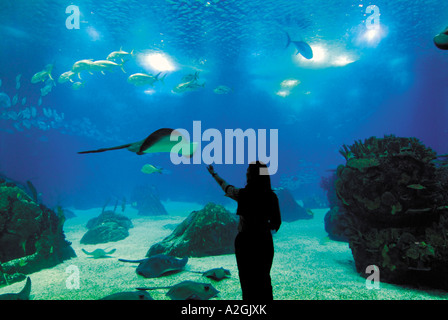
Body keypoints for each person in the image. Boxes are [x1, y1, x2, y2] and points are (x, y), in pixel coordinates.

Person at [207, 161, 281, 301]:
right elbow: (277, 223)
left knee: (247, 281)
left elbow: (226, 187)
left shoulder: (242, 194)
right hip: (264, 241)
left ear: (252, 175)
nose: (246, 173)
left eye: (248, 171)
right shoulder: (272, 197)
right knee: (264, 279)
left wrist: (214, 174)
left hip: (245, 242)